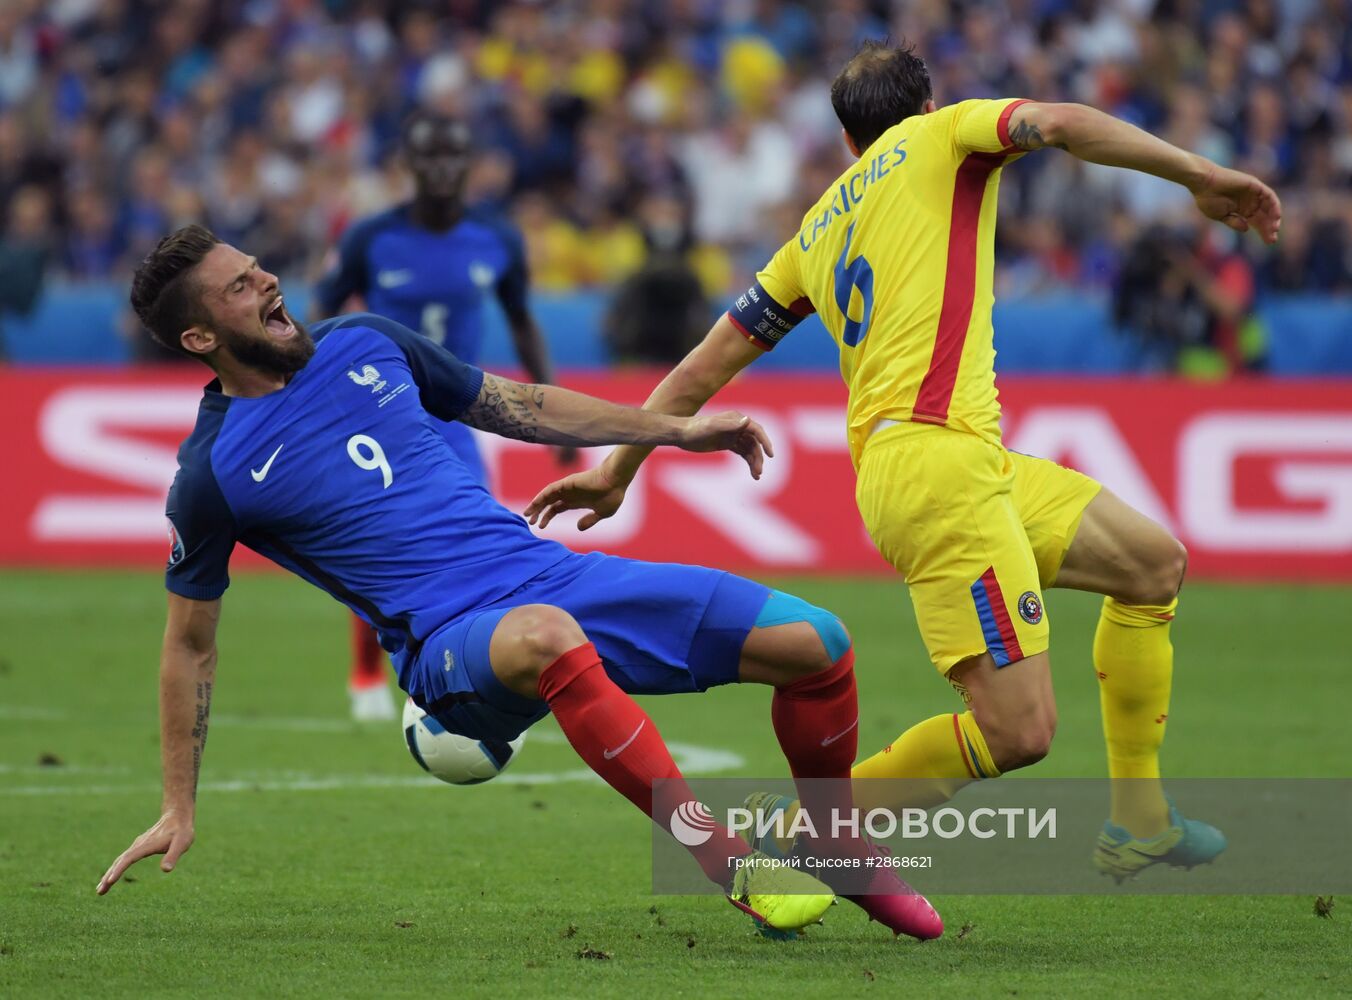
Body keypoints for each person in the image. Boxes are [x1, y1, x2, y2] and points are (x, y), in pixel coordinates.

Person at [525, 40, 1282, 882]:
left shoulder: (813, 232)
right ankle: (810, 823)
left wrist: (615, 469)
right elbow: (1061, 122)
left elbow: (701, 368)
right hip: (937, 470)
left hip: (950, 462)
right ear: (923, 107)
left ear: (849, 141)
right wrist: (1201, 176)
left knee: (1151, 565)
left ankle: (1140, 819)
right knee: (1018, 733)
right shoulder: (945, 137)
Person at [95, 225, 943, 942]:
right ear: (200, 338)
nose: (267, 281)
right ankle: (720, 858)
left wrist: (673, 431)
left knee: (818, 644)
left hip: (548, 576)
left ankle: (838, 845)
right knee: (546, 636)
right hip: (447, 646)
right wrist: (179, 804)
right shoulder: (213, 474)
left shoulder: (365, 341)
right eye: (240, 287)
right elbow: (190, 643)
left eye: (257, 268)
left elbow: (519, 404)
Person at [313, 110, 574, 721]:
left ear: (470, 163)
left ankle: (465, 671)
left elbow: (521, 320)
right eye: (427, 156)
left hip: (459, 416)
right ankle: (365, 674)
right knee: (376, 542)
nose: (440, 168)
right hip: (380, 409)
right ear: (407, 164)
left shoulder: (497, 239)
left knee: (474, 543)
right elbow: (319, 315)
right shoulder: (370, 238)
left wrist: (552, 410)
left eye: (452, 155)